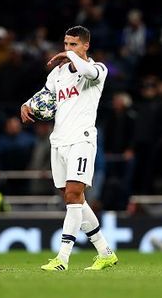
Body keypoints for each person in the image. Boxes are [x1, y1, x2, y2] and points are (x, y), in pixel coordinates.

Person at [21, 26, 117, 271]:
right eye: (65, 44)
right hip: (59, 141)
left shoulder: (97, 70)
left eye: (73, 44)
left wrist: (71, 57)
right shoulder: (58, 73)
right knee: (74, 199)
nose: (67, 49)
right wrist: (27, 104)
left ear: (86, 46)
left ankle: (62, 258)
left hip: (81, 140)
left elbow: (85, 69)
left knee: (73, 196)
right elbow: (45, 95)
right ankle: (105, 252)